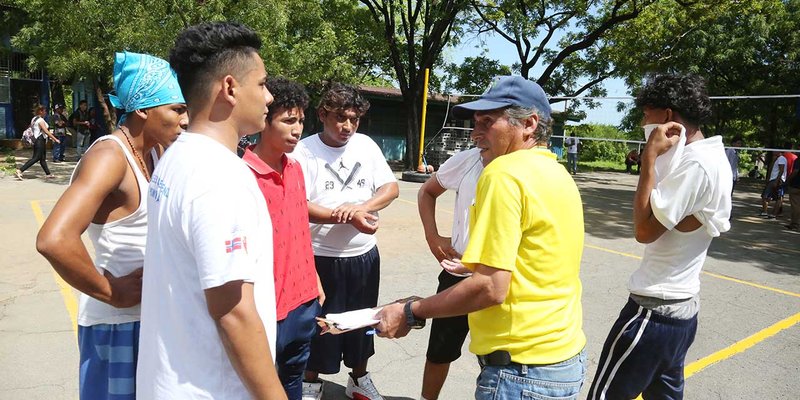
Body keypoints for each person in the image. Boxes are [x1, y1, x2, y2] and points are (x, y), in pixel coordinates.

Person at [376, 76, 587, 400]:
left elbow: (491, 286)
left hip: (520, 375)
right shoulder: (559, 175)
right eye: (475, 123)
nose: (476, 135)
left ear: (530, 124)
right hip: (564, 361)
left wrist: (410, 311)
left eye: (487, 123)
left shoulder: (504, 174)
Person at [137, 22, 286, 400]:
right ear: (230, 88)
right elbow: (232, 311)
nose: (269, 97)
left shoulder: (177, 157)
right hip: (210, 387)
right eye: (263, 84)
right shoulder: (220, 175)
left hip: (170, 381)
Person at [36, 51, 187, 400]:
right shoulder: (110, 156)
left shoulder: (154, 152)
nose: (185, 119)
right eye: (176, 109)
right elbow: (53, 239)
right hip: (116, 327)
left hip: (150, 321)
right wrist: (111, 292)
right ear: (143, 110)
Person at [587, 74, 732, 400]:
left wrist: (648, 159)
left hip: (652, 313)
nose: (643, 122)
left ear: (667, 117)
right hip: (681, 312)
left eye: (646, 114)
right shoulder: (714, 157)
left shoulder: (696, 165)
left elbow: (644, 231)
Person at [293, 83, 399, 400]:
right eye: (340, 117)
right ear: (323, 115)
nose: (348, 126)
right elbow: (299, 203)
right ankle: (311, 382)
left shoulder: (365, 146)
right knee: (319, 325)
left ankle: (359, 377)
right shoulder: (304, 151)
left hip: (363, 256)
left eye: (354, 119)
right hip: (319, 257)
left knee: (362, 322)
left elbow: (390, 188)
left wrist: (361, 208)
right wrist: (344, 216)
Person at [241, 77, 325, 400]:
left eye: (301, 121)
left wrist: (314, 279)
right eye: (288, 120)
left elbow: (299, 229)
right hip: (265, 307)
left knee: (293, 380)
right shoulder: (242, 175)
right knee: (256, 387)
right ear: (265, 121)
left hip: (303, 301)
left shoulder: (296, 169)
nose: (297, 129)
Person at [416, 145, 482, 400]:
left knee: (495, 359)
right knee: (440, 351)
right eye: (476, 122)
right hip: (457, 275)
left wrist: (481, 263)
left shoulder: (524, 171)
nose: (478, 130)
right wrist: (433, 238)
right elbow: (427, 191)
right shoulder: (469, 159)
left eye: (487, 121)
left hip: (497, 279)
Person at [16, 104, 60, 179]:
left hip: (37, 140)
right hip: (40, 140)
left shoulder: (34, 119)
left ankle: (48, 174)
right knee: (36, 158)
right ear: (40, 111)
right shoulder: (40, 120)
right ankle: (20, 170)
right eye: (44, 111)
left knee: (42, 159)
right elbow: (46, 131)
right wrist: (55, 139)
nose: (45, 112)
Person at [760, 150, 786, 219]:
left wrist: (776, 181)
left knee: (768, 196)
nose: (773, 152)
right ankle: (766, 212)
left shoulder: (781, 158)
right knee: (770, 196)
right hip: (773, 179)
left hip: (776, 179)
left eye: (774, 150)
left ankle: (771, 213)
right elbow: (772, 169)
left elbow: (781, 170)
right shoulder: (776, 159)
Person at [785, 156, 800, 231]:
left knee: (795, 206)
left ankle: (795, 224)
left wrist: (788, 180)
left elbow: (795, 171)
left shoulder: (798, 160)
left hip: (796, 185)